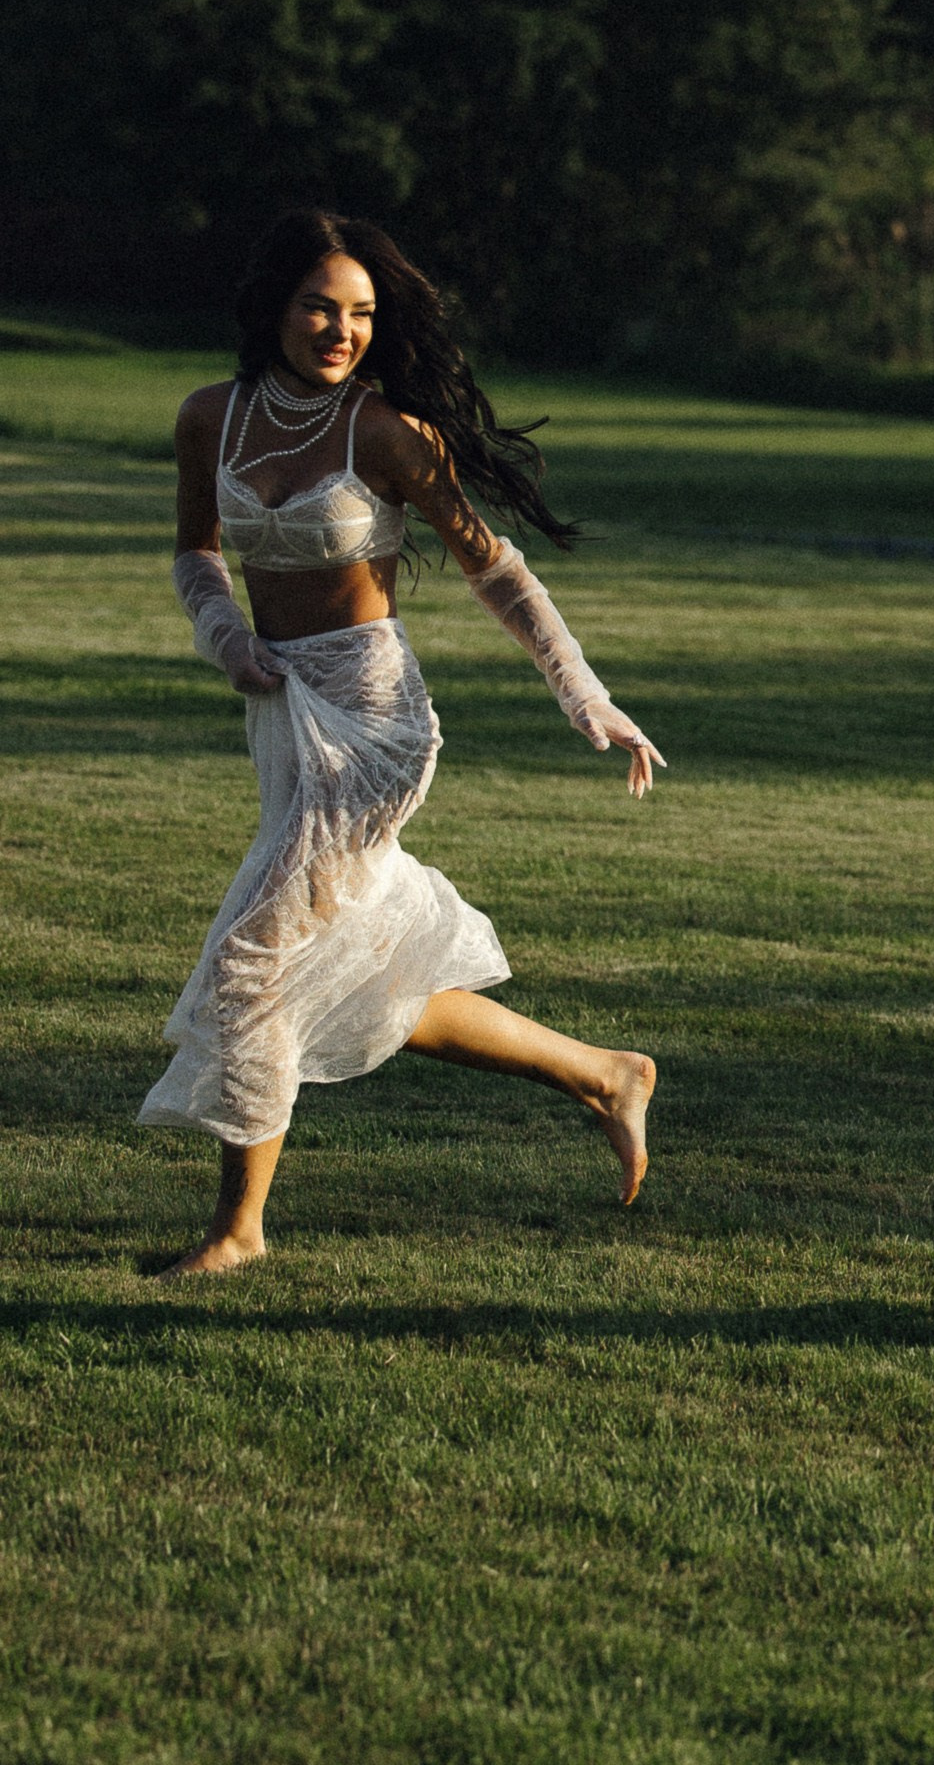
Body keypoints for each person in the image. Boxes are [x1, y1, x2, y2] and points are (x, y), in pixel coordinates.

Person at [145, 206, 664, 1277]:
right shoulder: (210, 419)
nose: (342, 332)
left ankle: (237, 1233)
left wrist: (586, 696)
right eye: (320, 308)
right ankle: (605, 1073)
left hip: (375, 723)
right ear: (275, 308)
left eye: (363, 314)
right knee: (353, 972)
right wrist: (225, 637)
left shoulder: (383, 433)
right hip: (281, 710)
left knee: (253, 963)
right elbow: (197, 551)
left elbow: (497, 569)